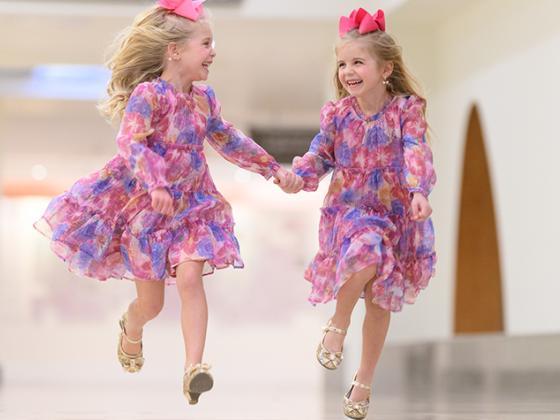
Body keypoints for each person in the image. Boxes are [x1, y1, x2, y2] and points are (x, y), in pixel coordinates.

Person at [34, 0, 301, 405]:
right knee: (152, 304)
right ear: (175, 50)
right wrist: (155, 183)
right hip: (147, 208)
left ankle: (194, 367)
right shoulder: (149, 96)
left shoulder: (204, 99)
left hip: (194, 206)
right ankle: (132, 326)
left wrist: (271, 169)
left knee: (191, 277)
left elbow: (227, 138)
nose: (214, 52)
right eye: (206, 43)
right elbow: (130, 141)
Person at [288, 7, 436, 419]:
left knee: (380, 299)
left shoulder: (406, 109)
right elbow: (321, 153)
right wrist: (299, 175)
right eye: (342, 64)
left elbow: (415, 150)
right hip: (351, 207)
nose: (347, 71)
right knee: (366, 253)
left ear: (385, 67)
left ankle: (363, 381)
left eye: (357, 62)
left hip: (397, 211)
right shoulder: (337, 114)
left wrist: (419, 190)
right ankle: (337, 325)